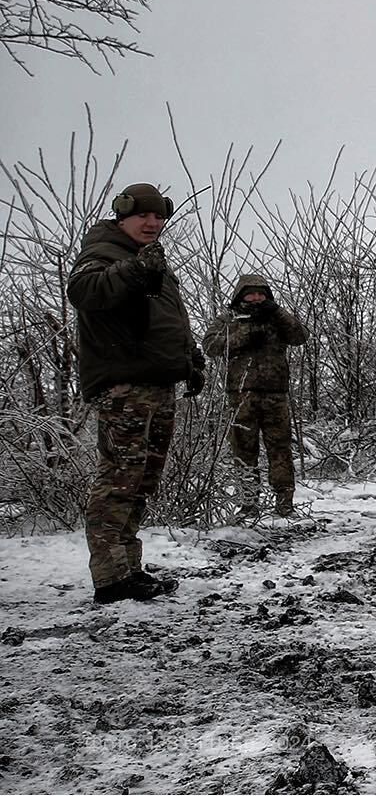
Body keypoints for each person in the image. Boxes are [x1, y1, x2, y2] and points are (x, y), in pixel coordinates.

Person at [66, 182, 205, 604]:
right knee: (120, 477)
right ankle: (111, 578)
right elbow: (84, 291)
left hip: (157, 382)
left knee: (142, 479)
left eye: (158, 216)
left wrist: (190, 360)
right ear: (122, 216)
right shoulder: (103, 253)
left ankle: (128, 568)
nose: (152, 223)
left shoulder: (148, 260)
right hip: (123, 384)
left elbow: (166, 320)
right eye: (143, 215)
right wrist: (133, 271)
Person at [201, 274, 309, 518]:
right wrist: (245, 335)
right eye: (251, 293)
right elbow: (210, 346)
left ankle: (285, 503)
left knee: (280, 449)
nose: (257, 298)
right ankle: (249, 503)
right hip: (241, 396)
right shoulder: (229, 318)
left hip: (275, 395)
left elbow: (300, 336)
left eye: (261, 293)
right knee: (243, 450)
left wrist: (278, 312)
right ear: (241, 295)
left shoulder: (276, 318)